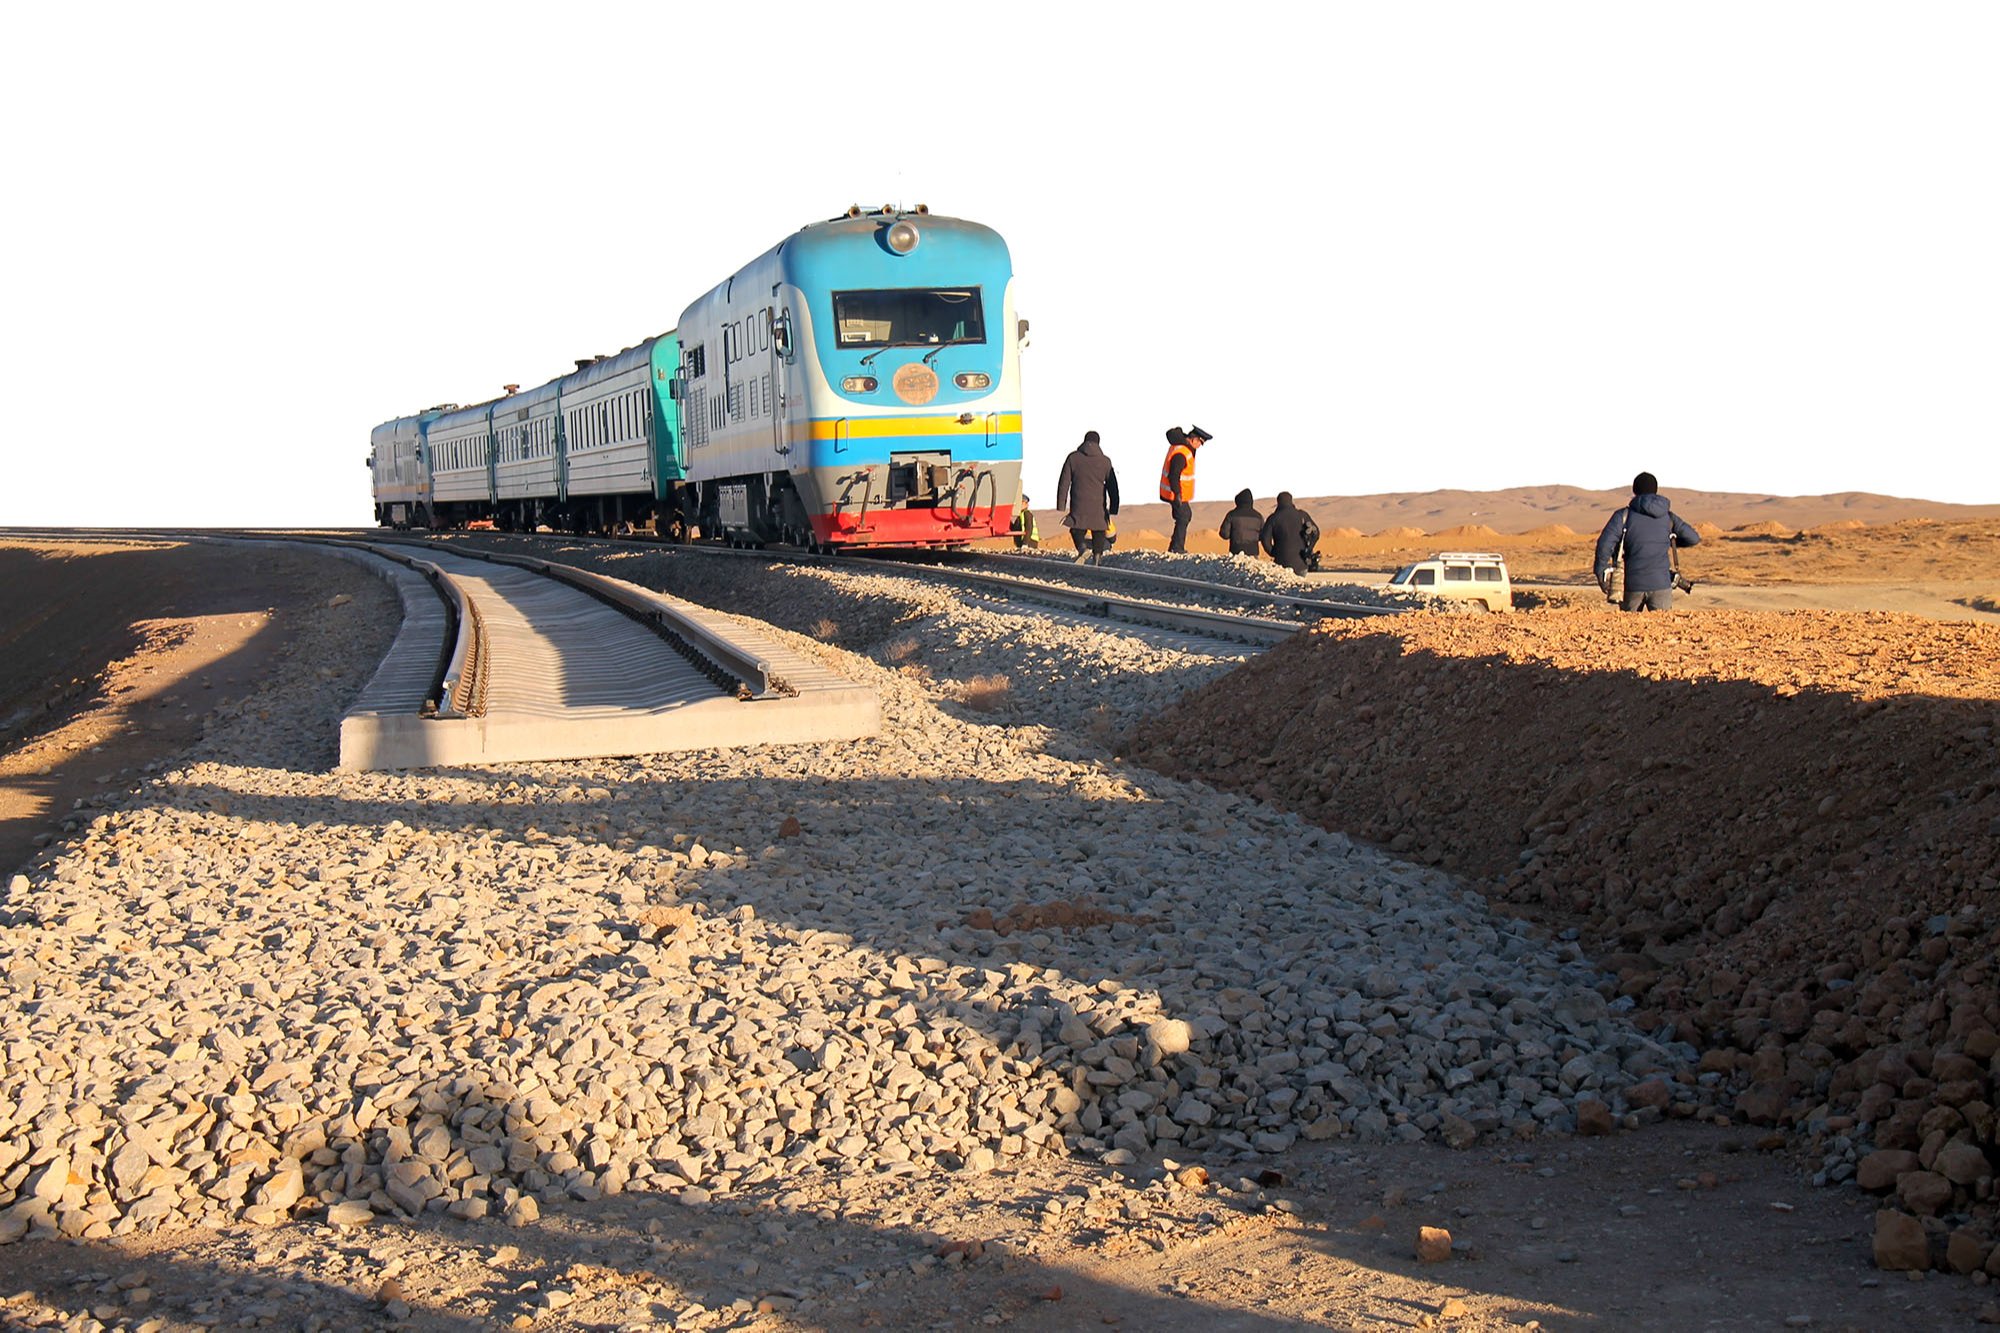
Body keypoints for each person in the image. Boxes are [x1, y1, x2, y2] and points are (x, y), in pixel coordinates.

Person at [1594, 471, 1702, 611]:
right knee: (1662, 629)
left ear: (1634, 490)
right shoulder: (1668, 517)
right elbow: (1693, 538)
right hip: (1661, 585)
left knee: (1629, 629)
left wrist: (1600, 571)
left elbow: (1604, 544)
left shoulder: (1623, 516)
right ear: (1656, 490)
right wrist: (1666, 541)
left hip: (1632, 585)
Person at [1055, 430, 1119, 564]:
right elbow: (1113, 486)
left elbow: (1064, 482)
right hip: (1098, 504)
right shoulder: (1105, 461)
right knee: (1099, 529)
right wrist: (1114, 507)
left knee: (1076, 528)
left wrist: (1061, 504)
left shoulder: (1073, 458)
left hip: (1079, 502)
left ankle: (1083, 549)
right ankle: (1097, 556)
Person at [1157, 425, 1212, 553]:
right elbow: (1174, 474)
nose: (1200, 446)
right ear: (1194, 440)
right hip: (1174, 493)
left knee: (1183, 516)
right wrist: (1177, 494)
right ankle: (1177, 548)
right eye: (1200, 443)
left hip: (1176, 492)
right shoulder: (1182, 453)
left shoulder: (1184, 448)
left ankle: (1175, 547)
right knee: (1184, 516)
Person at [1259, 491, 1317, 575]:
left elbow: (1265, 539)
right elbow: (1315, 533)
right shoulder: (1302, 515)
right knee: (1298, 586)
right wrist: (1308, 549)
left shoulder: (1273, 518)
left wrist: (1274, 552)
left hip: (1281, 563)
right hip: (1301, 563)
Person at [1218, 488, 1264, 557]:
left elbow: (1224, 534)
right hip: (1253, 552)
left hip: (1236, 552)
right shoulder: (1258, 516)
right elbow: (1263, 535)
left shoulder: (1232, 515)